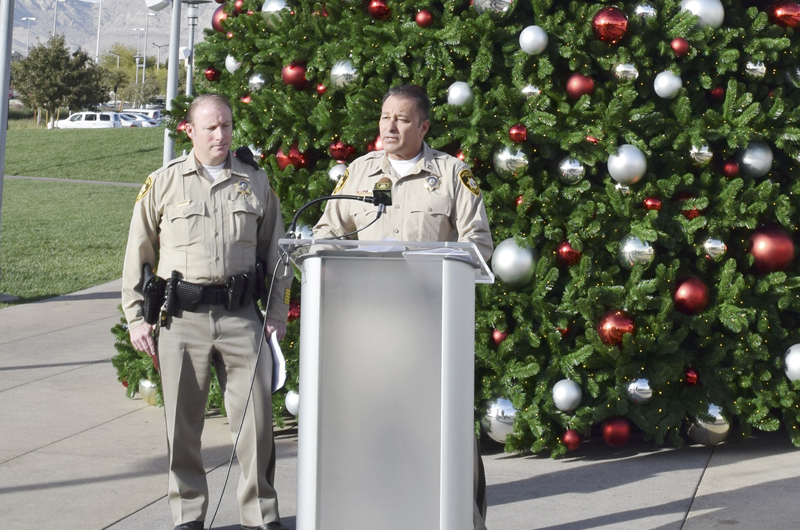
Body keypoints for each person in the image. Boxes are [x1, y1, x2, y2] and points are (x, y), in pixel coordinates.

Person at [313, 84, 493, 530]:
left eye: (402, 119)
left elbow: (478, 244)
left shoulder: (451, 173)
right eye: (384, 117)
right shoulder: (360, 172)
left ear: (424, 126)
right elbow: (325, 233)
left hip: (432, 327)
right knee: (371, 429)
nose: (389, 127)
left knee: (443, 434)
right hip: (369, 329)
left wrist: (440, 266)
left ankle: (464, 521)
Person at [122, 93, 292, 530]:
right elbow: (138, 254)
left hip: (241, 318)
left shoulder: (255, 181)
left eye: (228, 126)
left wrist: (275, 313)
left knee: (256, 426)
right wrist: (137, 317)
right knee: (182, 430)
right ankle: (189, 516)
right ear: (190, 131)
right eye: (212, 127)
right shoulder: (163, 182)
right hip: (182, 320)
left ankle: (261, 516)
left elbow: (277, 254)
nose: (221, 135)